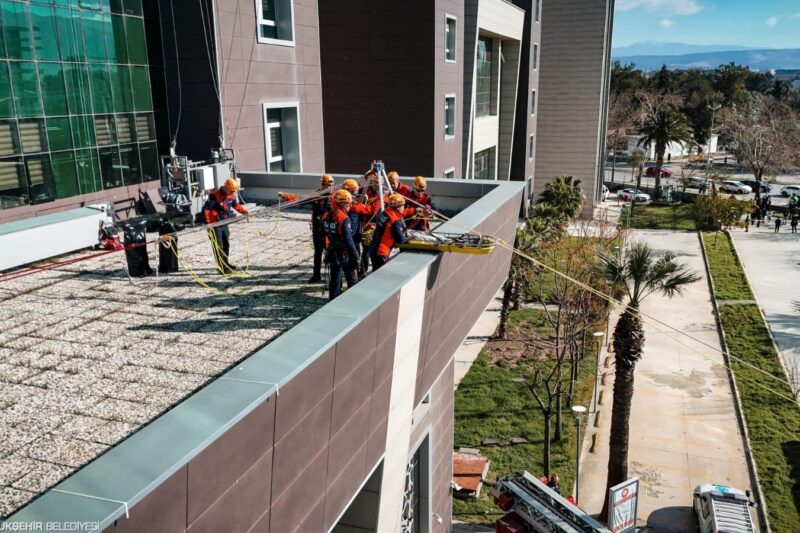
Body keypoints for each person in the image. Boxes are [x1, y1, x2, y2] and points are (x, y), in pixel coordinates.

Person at [203, 177, 249, 274]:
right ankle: (222, 267)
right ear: (226, 187)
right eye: (231, 191)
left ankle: (226, 263)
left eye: (233, 191)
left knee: (226, 244)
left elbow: (235, 205)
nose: (232, 193)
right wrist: (208, 224)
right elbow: (206, 210)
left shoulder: (231, 195)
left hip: (224, 223)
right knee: (218, 246)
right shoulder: (214, 196)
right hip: (214, 225)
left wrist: (245, 212)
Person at [321, 189, 360, 299]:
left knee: (335, 280)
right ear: (342, 204)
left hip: (332, 251)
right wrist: (356, 255)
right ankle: (353, 302)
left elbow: (321, 235)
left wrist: (327, 249)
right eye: (349, 203)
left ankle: (332, 301)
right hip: (344, 253)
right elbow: (348, 240)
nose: (350, 206)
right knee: (352, 280)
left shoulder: (326, 215)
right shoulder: (344, 218)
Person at [370, 193, 408, 271]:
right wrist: (409, 238)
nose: (404, 207)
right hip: (382, 252)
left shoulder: (385, 212)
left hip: (374, 248)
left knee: (375, 272)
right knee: (381, 274)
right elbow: (400, 240)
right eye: (403, 205)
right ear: (398, 207)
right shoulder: (395, 220)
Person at [308, 174, 334, 282]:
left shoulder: (334, 196)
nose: (328, 187)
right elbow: (301, 200)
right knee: (317, 252)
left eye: (329, 185)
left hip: (328, 229)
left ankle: (333, 276)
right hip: (317, 228)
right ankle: (316, 275)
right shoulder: (316, 194)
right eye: (325, 185)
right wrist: (285, 196)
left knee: (330, 252)